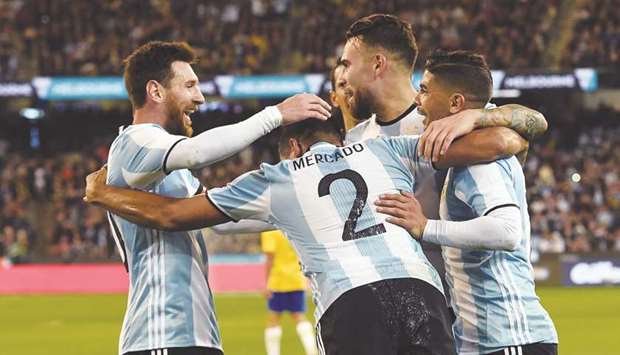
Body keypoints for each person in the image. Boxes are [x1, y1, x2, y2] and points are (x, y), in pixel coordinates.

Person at [84, 112, 528, 355]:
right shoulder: (385, 149)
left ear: (293, 147)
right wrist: (471, 118)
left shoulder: (278, 177)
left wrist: (104, 193)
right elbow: (502, 142)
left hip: (351, 302)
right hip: (421, 293)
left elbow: (172, 215)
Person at [106, 40, 331, 355]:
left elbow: (222, 220)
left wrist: (301, 208)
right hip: (161, 335)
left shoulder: (172, 169)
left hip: (193, 334)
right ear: (155, 91)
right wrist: (275, 115)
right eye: (189, 85)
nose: (199, 97)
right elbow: (198, 152)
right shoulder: (135, 141)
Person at [338, 13, 549, 314]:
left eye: (346, 64)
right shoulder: (357, 139)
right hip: (388, 305)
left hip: (454, 302)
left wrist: (478, 117)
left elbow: (525, 129)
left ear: (377, 64)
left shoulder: (443, 119)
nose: (342, 79)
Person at [375, 50, 558, 355]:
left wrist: (426, 227)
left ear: (456, 103)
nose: (417, 101)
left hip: (509, 340)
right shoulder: (475, 147)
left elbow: (507, 230)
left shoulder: (480, 163)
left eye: (424, 90)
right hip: (486, 342)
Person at [261, 230, 318, 355]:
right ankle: (312, 351)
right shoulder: (289, 226)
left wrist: (266, 284)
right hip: (296, 279)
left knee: (273, 319)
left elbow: (270, 259)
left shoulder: (269, 231)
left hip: (278, 280)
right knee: (299, 316)